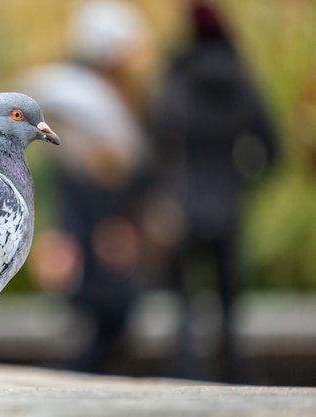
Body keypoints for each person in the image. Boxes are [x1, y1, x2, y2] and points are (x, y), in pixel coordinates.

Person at [16, 0, 164, 374]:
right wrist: (67, 234)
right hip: (98, 232)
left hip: (108, 231)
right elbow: (77, 177)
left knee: (111, 322)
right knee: (108, 318)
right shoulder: (88, 100)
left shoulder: (111, 98)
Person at [150, 0, 280, 382]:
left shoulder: (178, 79)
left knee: (184, 303)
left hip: (183, 203)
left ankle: (187, 376)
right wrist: (243, 180)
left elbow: (158, 141)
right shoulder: (243, 81)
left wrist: (166, 187)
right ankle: (236, 377)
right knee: (229, 302)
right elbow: (272, 148)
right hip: (228, 204)